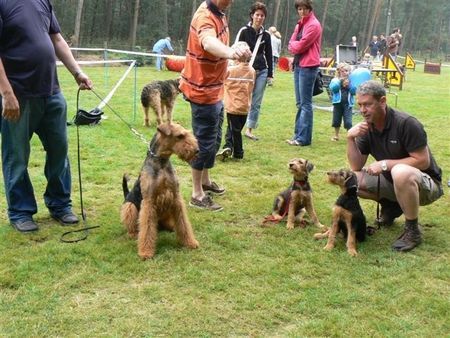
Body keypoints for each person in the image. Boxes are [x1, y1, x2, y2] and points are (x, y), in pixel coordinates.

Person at [0, 0, 93, 232]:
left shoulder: (42, 1)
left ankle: (60, 205)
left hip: (52, 92)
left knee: (59, 151)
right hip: (18, 95)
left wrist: (77, 72)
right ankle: (20, 212)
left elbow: (57, 39)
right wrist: (6, 93)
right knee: (17, 156)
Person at [347, 81, 443, 252]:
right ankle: (393, 206)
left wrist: (385, 164)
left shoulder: (406, 123)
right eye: (360, 105)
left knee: (400, 172)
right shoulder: (366, 127)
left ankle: (412, 230)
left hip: (426, 186)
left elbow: (423, 161)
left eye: (367, 104)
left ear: (382, 101)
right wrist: (350, 138)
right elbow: (356, 165)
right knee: (350, 180)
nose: (362, 110)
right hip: (394, 182)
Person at [179, 0, 251, 211]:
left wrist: (234, 50)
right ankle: (196, 194)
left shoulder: (219, 12)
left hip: (216, 88)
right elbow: (208, 42)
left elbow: (217, 46)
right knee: (202, 142)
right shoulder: (205, 17)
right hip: (202, 91)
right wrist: (231, 53)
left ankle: (205, 181)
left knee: (214, 139)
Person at [286, 0, 322, 146]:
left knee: (306, 104)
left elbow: (300, 45)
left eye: (304, 8)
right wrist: (294, 46)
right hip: (299, 64)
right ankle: (297, 135)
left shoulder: (314, 25)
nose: (301, 12)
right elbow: (291, 43)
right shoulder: (300, 24)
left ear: (309, 8)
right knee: (300, 103)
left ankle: (303, 138)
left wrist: (293, 46)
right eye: (299, 9)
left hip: (308, 66)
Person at [236, 2, 273, 141]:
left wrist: (270, 74)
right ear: (252, 16)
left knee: (256, 101)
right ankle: (237, 126)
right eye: (257, 15)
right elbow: (237, 49)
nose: (259, 17)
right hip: (245, 70)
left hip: (261, 70)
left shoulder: (266, 35)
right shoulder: (243, 31)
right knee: (243, 99)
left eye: (262, 15)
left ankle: (249, 129)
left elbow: (269, 55)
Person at [217, 42, 256, 161]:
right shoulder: (252, 71)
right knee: (233, 128)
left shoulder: (230, 70)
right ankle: (228, 146)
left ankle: (238, 152)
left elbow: (221, 80)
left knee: (235, 130)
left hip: (232, 107)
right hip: (245, 107)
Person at [329, 63, 356, 142]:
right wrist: (340, 82)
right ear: (339, 72)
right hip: (337, 103)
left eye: (346, 71)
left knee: (348, 121)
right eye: (342, 71)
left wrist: (349, 86)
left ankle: (350, 136)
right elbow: (333, 89)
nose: (344, 72)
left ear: (349, 71)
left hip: (348, 104)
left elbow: (354, 92)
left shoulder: (351, 80)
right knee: (336, 120)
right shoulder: (335, 80)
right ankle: (336, 135)